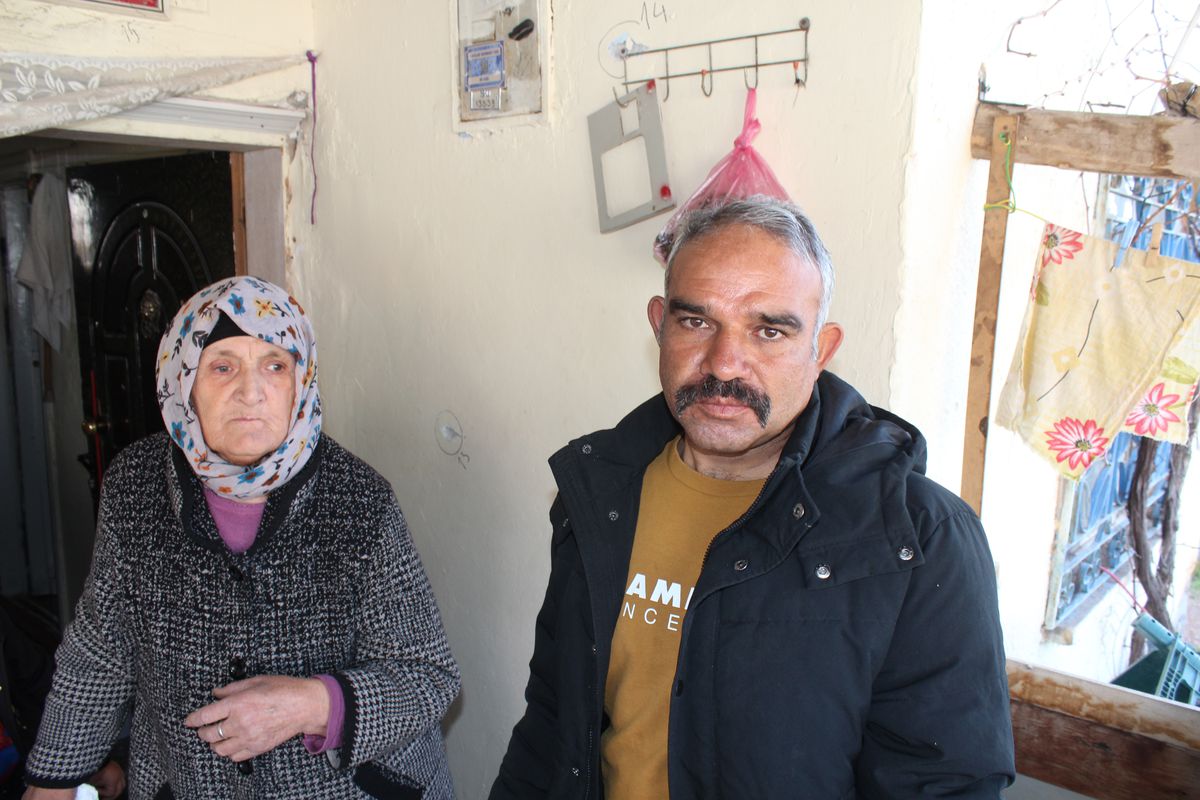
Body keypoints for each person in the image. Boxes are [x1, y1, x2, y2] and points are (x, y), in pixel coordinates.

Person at [490, 197, 1015, 798]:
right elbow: (552, 726)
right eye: (696, 322)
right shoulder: (600, 492)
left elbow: (943, 785)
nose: (724, 365)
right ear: (659, 324)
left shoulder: (919, 537)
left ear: (821, 350)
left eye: (769, 331)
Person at [23, 276, 460, 799]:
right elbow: (102, 650)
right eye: (222, 367)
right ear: (184, 380)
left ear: (300, 381)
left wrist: (310, 704)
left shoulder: (359, 500)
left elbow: (428, 676)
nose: (251, 392)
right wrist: (53, 779)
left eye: (275, 366)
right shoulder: (136, 486)